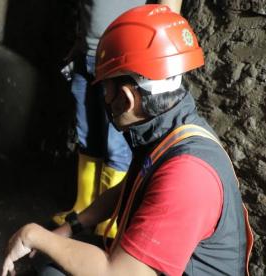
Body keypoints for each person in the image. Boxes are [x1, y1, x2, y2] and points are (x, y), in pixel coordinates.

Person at [3, 5, 253, 276]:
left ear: (126, 97)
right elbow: (128, 188)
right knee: (55, 261)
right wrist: (70, 227)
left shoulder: (187, 173)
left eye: (105, 87)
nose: (105, 98)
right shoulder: (169, 133)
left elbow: (118, 274)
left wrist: (33, 234)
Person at [53, 0, 183, 238]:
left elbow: (168, 11)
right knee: (87, 136)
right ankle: (82, 207)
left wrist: (159, 59)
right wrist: (80, 43)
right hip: (88, 53)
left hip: (123, 56)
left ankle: (111, 222)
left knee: (116, 144)